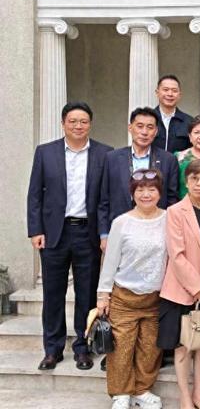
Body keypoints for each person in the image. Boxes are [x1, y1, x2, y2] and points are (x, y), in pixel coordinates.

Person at [27, 102, 112, 371]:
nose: (78, 126)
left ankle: (82, 347)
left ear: (90, 124)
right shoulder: (45, 152)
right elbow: (35, 195)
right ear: (63, 123)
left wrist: (105, 233)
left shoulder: (104, 154)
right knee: (53, 293)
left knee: (86, 294)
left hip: (88, 233)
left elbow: (106, 199)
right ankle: (52, 349)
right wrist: (36, 230)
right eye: (73, 121)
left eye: (83, 121)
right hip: (55, 233)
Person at [96, 168, 168, 409]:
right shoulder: (121, 223)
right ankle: (121, 393)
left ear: (160, 193)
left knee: (150, 347)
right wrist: (103, 295)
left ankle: (142, 390)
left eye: (151, 189)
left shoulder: (169, 219)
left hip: (156, 297)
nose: (146, 194)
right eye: (140, 190)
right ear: (132, 193)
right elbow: (110, 261)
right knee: (121, 348)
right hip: (124, 297)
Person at [158, 159, 200, 409]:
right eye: (194, 178)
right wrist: (197, 287)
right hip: (182, 289)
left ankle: (199, 394)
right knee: (183, 345)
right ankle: (184, 396)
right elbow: (177, 254)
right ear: (186, 181)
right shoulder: (174, 211)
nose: (199, 184)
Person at [99, 107, 179, 249]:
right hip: (120, 229)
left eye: (150, 127)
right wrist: (104, 235)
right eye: (139, 126)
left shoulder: (168, 159)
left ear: (156, 131)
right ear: (130, 128)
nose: (144, 132)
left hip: (156, 231)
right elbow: (104, 199)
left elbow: (172, 199)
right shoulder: (112, 158)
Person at [153, 74, 194, 153]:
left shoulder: (189, 121)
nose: (170, 94)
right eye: (166, 90)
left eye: (174, 91)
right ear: (157, 92)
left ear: (179, 95)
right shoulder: (148, 119)